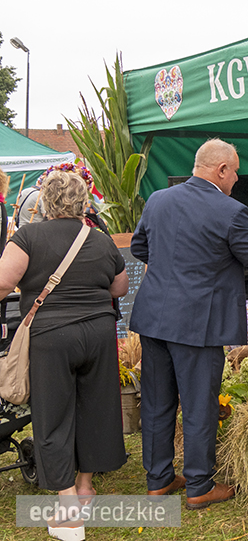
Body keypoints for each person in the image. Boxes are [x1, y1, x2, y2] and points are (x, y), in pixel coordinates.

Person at [130, 139, 248, 510]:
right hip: (198, 323)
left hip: (154, 317)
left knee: (157, 401)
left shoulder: (158, 200)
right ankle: (198, 485)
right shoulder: (231, 210)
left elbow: (139, 248)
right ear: (221, 170)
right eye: (235, 172)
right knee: (199, 405)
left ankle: (159, 480)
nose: (236, 180)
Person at [0, 170, 129, 540]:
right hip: (100, 333)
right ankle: (86, 486)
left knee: (53, 415)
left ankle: (69, 510)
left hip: (52, 337)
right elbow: (119, 286)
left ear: (45, 202)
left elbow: (4, 281)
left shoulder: (28, 236)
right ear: (83, 201)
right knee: (95, 408)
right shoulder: (100, 239)